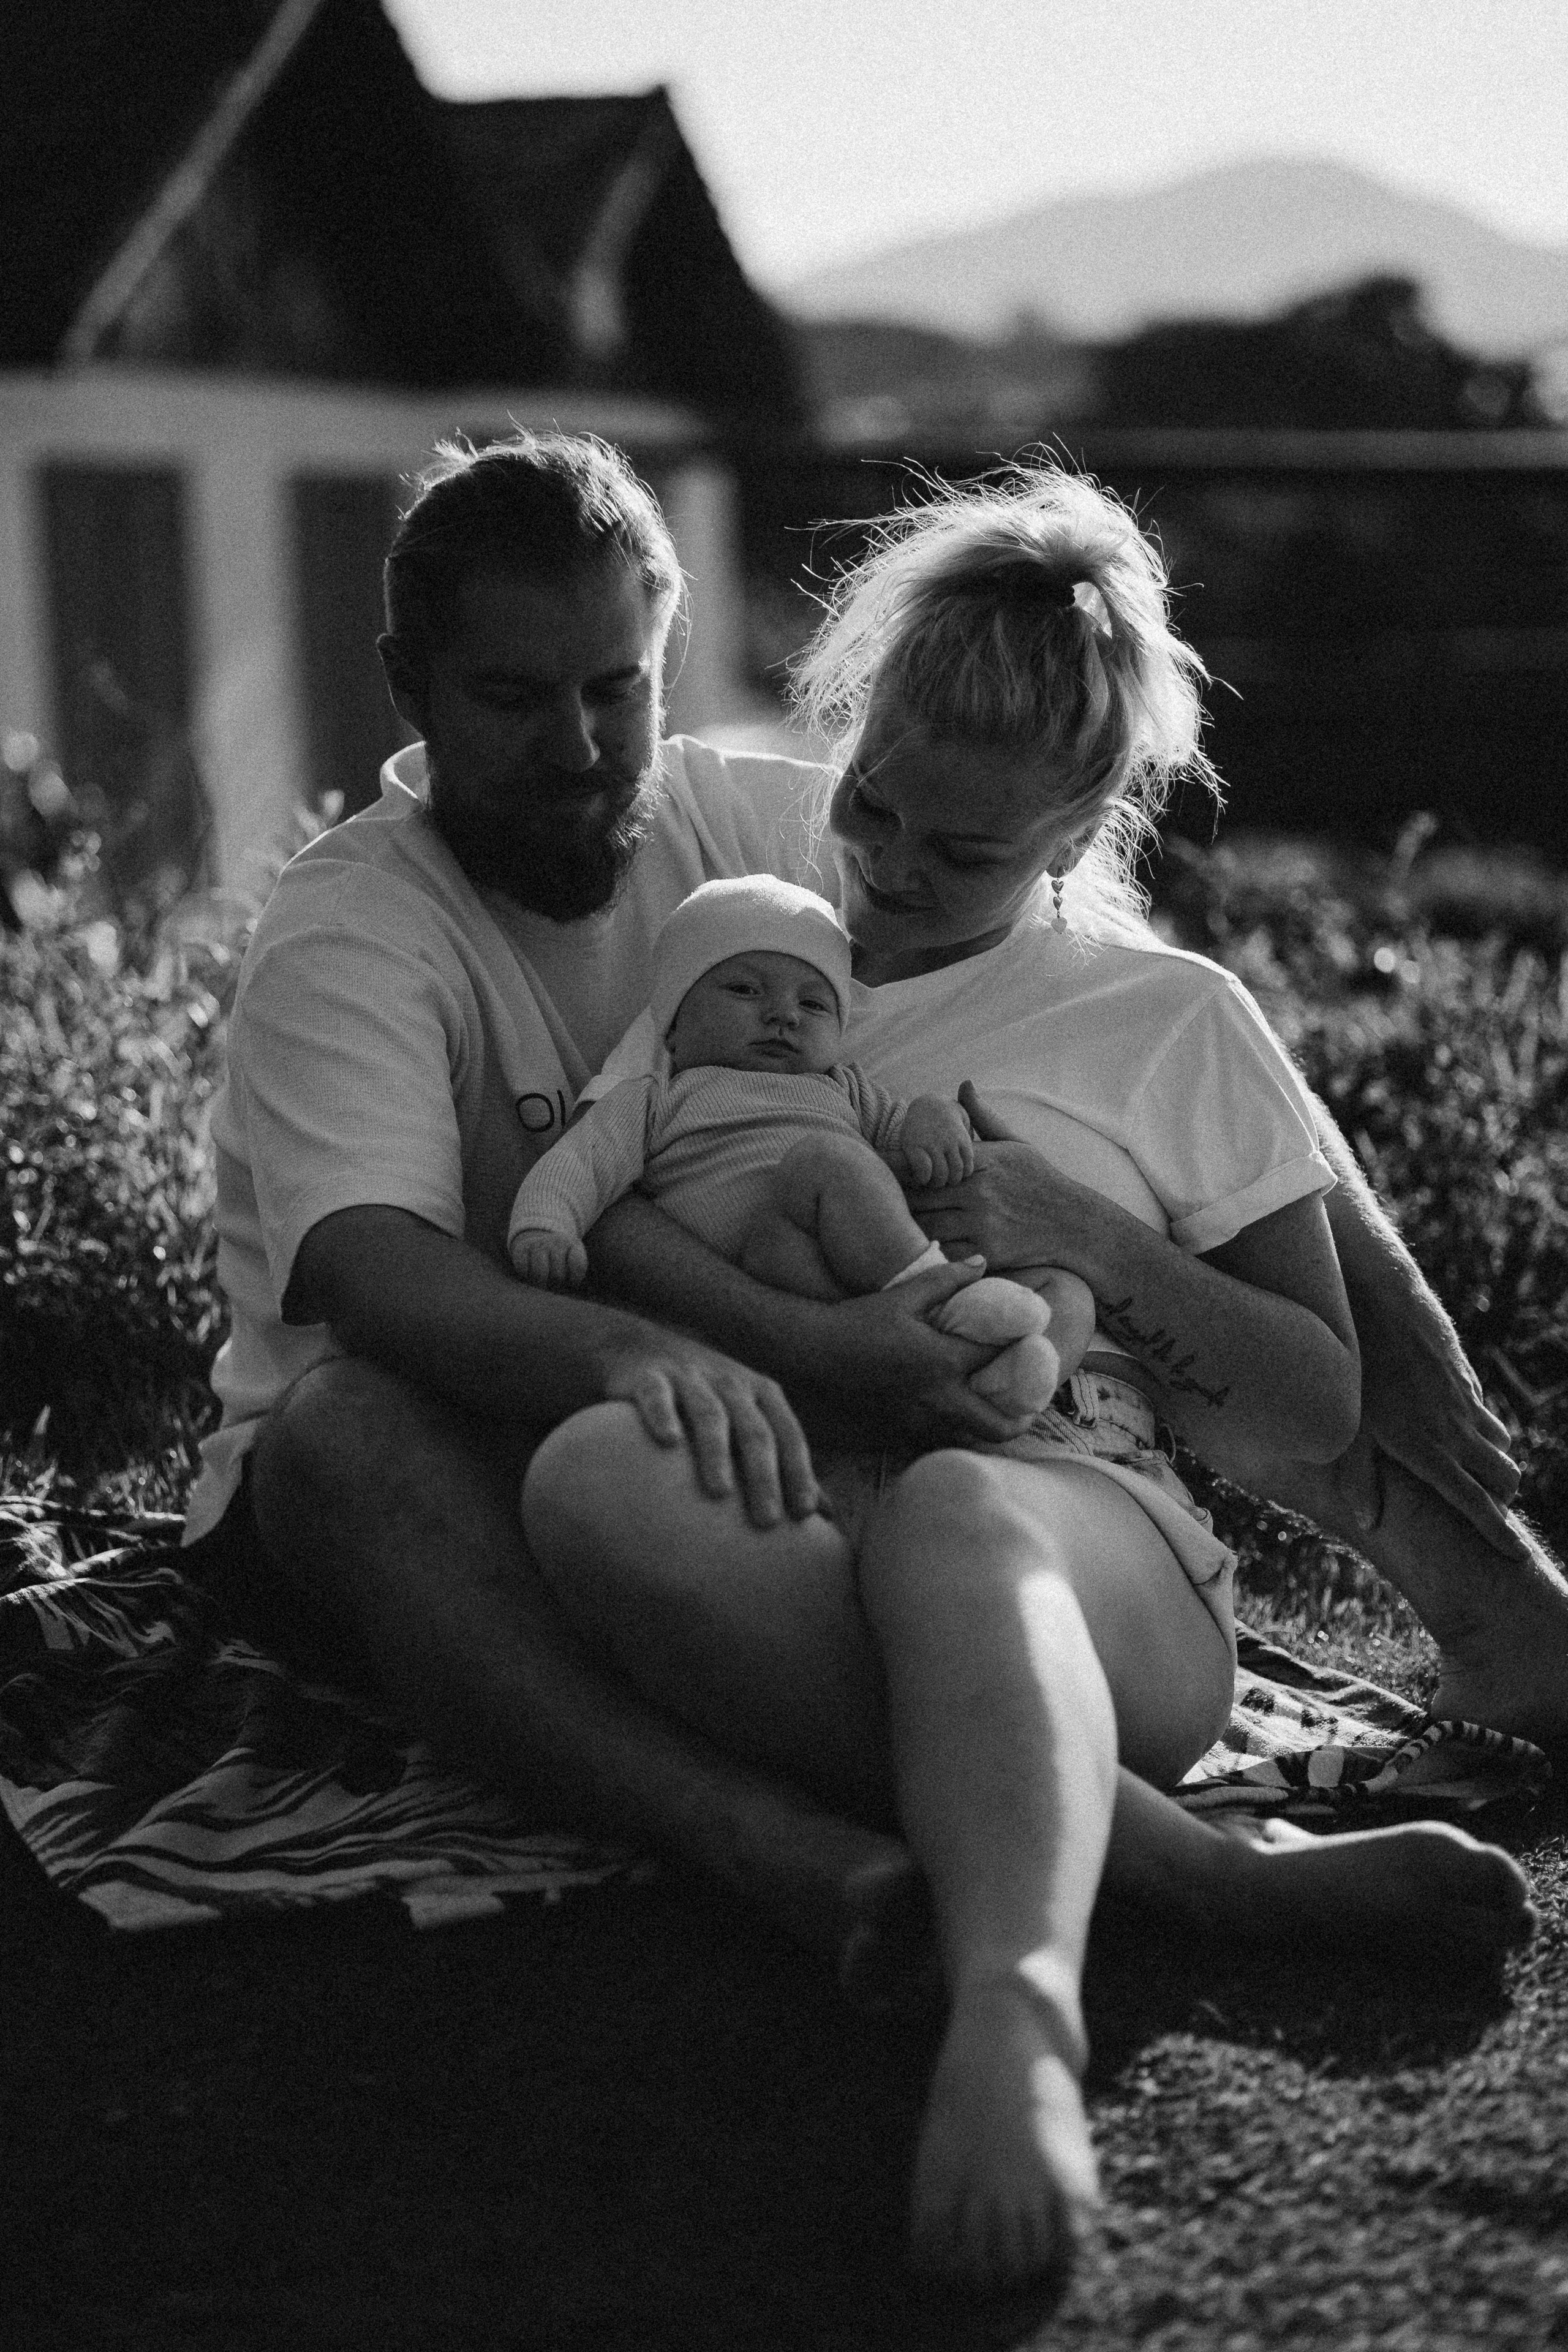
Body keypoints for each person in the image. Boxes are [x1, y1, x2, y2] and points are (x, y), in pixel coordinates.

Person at [184, 431, 1562, 1983]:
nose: (575, 745)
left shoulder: (780, 828)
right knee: (345, 1437)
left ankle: (1460, 1626)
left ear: (666, 657)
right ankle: (843, 1852)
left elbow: (1118, 993)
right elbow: (373, 1280)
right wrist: (664, 1356)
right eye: (512, 698)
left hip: (744, 1424)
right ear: (409, 682)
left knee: (761, 1508)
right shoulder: (357, 927)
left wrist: (1398, 1318)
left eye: (612, 687)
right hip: (429, 1437)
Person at [518, 466, 1540, 2290]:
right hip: (836, 1509)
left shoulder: (1163, 1018)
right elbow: (630, 1210)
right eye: (876, 808)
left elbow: (1304, 1403)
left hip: (1092, 1546)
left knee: (966, 1508)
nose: (892, 872)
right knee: (587, 1480)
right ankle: (1190, 1869)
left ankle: (1016, 2014)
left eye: (961, 851)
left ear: (1078, 824)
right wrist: (820, 1343)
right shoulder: (757, 965)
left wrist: (1102, 1242)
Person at [507, 871, 1085, 1421]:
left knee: (1069, 1292)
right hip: (767, 1268)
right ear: (674, 1028)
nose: (782, 1014)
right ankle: (945, 1308)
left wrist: (937, 1119)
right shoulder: (658, 1098)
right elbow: (580, 1162)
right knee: (826, 1159)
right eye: (744, 989)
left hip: (851, 1270)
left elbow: (906, 1128)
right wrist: (544, 1228)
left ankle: (997, 1385)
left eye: (813, 1004)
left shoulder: (845, 1088)